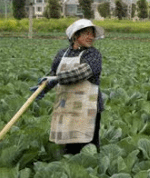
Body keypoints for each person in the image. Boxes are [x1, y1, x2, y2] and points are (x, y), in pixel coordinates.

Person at [32, 19, 105, 154]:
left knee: (88, 145)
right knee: (69, 143)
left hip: (89, 108)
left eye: (92, 34)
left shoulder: (93, 54)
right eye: (87, 34)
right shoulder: (62, 54)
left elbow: (81, 73)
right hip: (66, 106)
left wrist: (56, 79)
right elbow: (53, 74)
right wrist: (42, 88)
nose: (91, 37)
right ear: (75, 36)